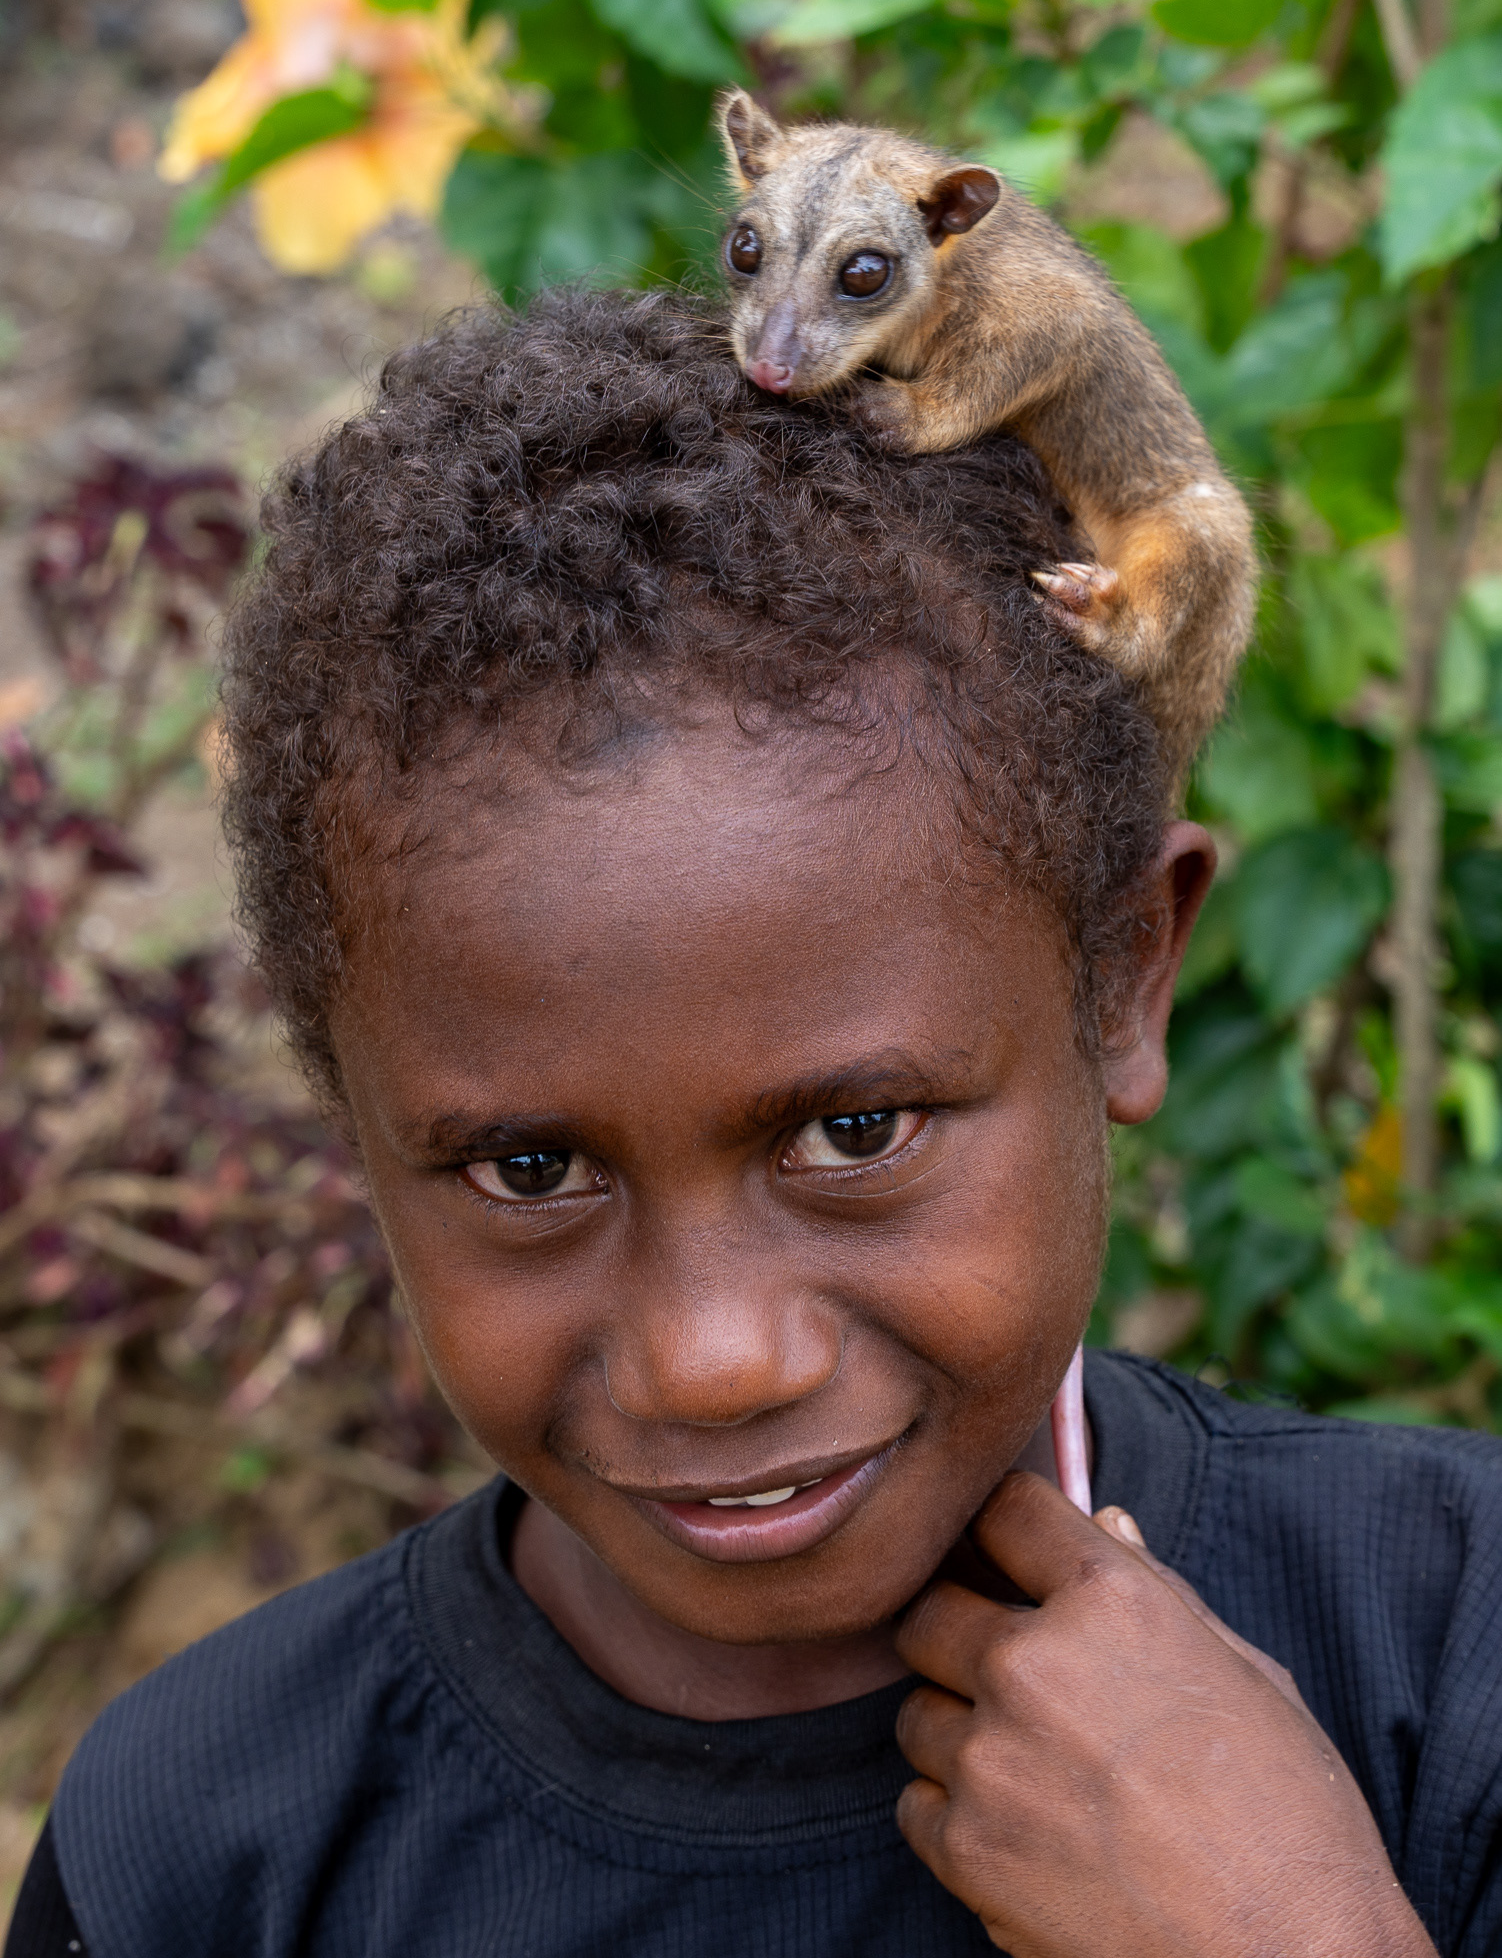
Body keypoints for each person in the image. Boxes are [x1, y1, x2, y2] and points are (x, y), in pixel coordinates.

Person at [8, 290, 1498, 1958]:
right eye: (529, 1170)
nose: (714, 1360)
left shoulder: (1455, 1667)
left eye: (855, 1133)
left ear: (1120, 982)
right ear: (353, 1117)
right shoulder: (202, 1851)